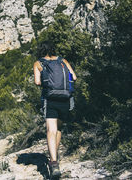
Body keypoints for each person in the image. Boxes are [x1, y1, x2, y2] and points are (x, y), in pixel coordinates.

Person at [33, 42, 77, 178]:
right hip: (65, 99)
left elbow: (37, 82)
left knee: (50, 130)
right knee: (58, 129)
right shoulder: (62, 60)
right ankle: (55, 156)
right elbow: (74, 77)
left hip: (50, 98)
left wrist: (46, 80)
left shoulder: (38, 63)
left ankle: (53, 163)